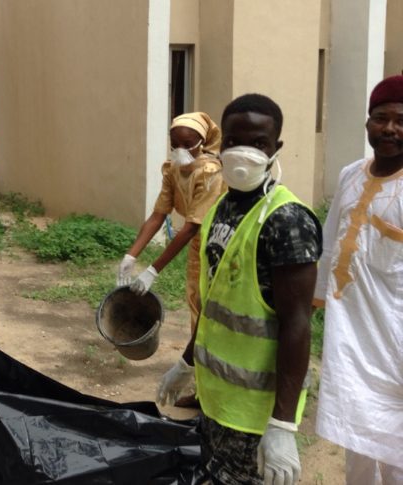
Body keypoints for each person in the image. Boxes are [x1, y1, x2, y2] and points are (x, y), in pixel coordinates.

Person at [156, 94, 322, 485]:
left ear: (275, 148)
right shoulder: (222, 208)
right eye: (233, 141)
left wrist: (282, 425)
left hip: (255, 416)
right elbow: (216, 301)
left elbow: (298, 325)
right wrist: (187, 362)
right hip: (217, 403)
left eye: (258, 143)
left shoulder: (287, 222)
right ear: (221, 144)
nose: (243, 152)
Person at [313, 75, 403, 483]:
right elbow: (330, 246)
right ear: (367, 123)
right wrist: (313, 302)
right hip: (350, 341)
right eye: (380, 118)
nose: (389, 129)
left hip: (396, 346)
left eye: (400, 120)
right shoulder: (351, 173)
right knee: (358, 445)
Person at [118, 112, 225, 337]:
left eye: (188, 144)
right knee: (196, 299)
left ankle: (203, 359)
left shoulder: (210, 173)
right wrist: (131, 256)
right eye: (175, 144)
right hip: (199, 244)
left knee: (215, 302)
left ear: (202, 142)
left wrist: (153, 270)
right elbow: (158, 215)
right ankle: (195, 360)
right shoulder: (173, 169)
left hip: (220, 243)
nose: (180, 150)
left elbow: (191, 227)